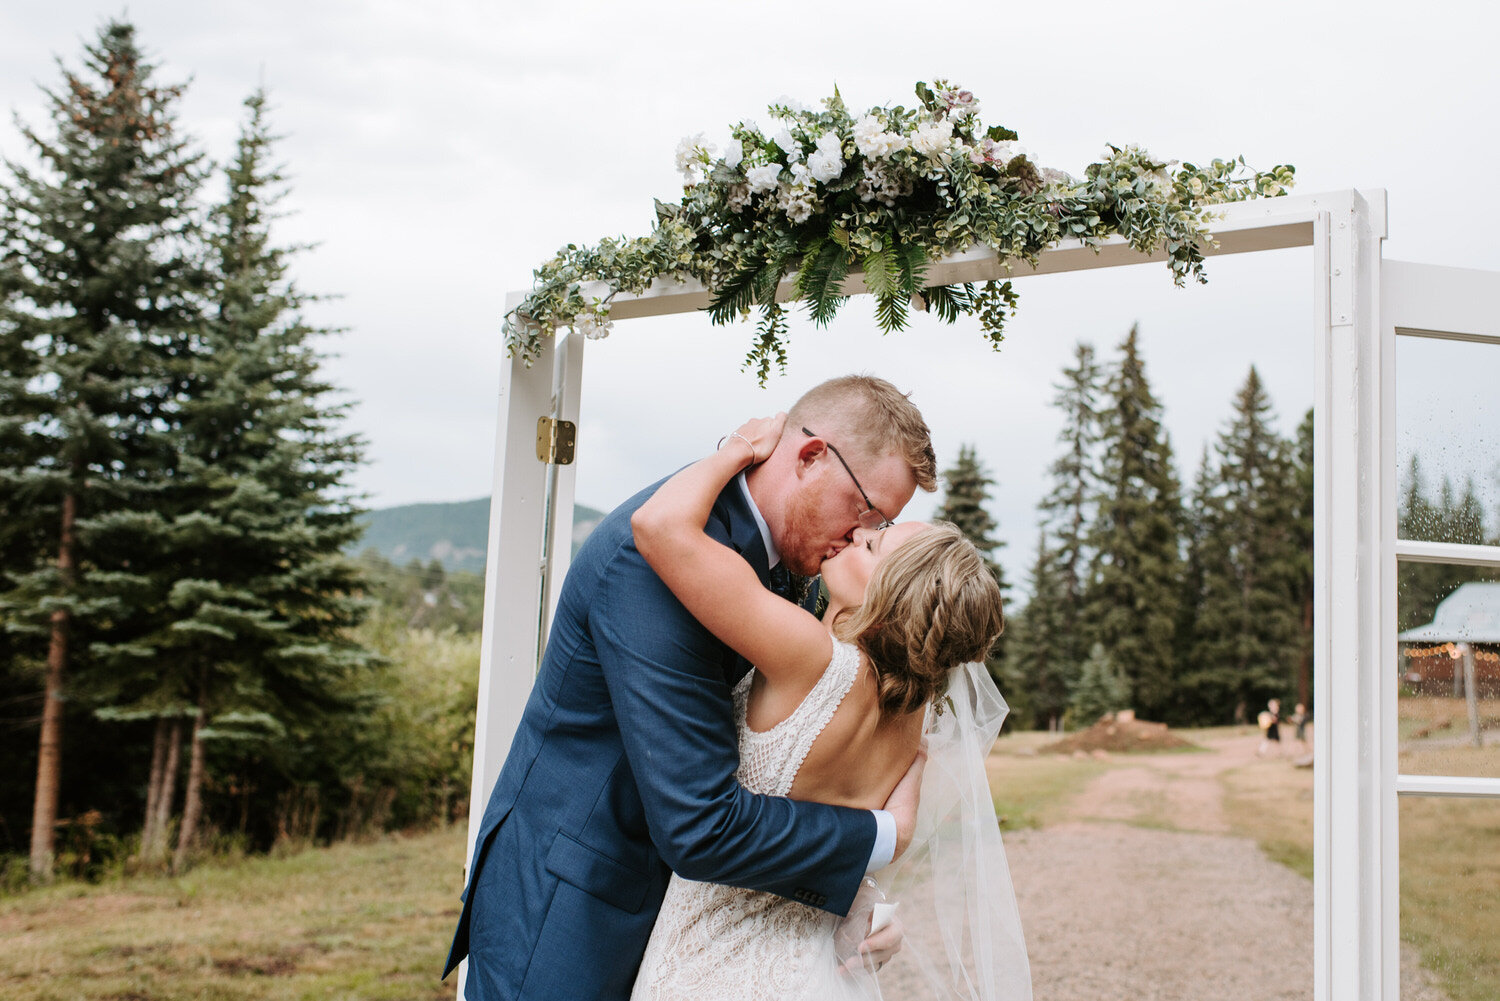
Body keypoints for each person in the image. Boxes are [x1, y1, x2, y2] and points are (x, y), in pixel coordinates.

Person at [445, 376, 937, 1001]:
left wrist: (849, 904)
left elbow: (787, 772)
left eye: (884, 525)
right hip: (572, 916)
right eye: (866, 510)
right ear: (811, 458)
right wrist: (879, 836)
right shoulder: (655, 560)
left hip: (681, 924)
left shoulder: (803, 567)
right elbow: (702, 824)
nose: (863, 536)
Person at [628, 413, 1029, 1000]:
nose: (853, 536)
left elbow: (659, 525)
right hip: (813, 976)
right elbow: (866, 840)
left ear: (889, 597)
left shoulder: (807, 656)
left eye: (873, 544)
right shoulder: (917, 716)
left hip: (708, 971)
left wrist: (740, 448)